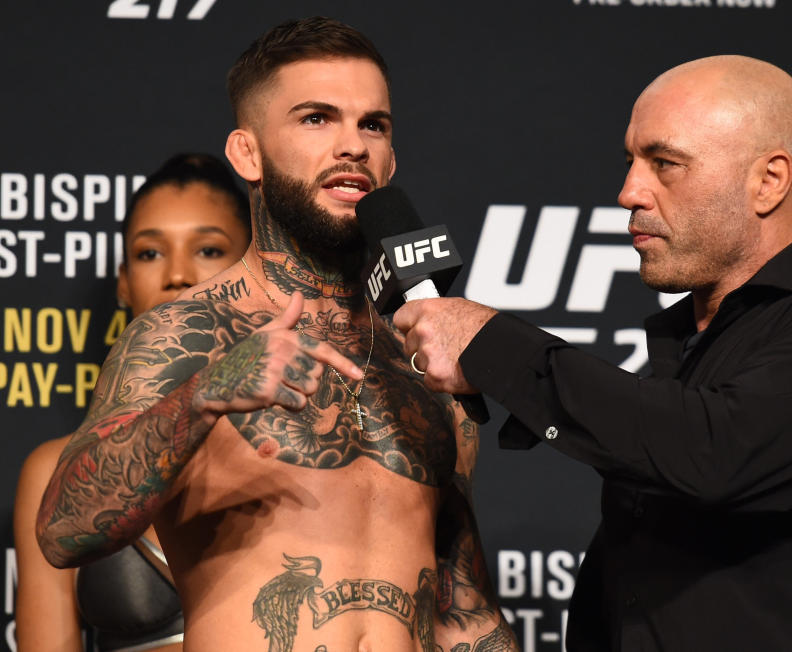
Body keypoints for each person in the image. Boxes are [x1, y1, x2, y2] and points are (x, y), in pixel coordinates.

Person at [393, 55, 792, 651]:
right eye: (631, 162)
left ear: (769, 181)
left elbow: (715, 453)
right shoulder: (691, 349)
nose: (629, 191)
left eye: (665, 164)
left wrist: (491, 345)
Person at [36, 17, 516, 652]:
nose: (353, 146)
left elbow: (464, 610)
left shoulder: (424, 358)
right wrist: (204, 396)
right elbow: (65, 532)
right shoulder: (188, 335)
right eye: (317, 118)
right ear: (248, 153)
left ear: (392, 157)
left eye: (373, 124)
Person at [14, 152, 251, 652]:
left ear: (252, 269)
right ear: (123, 282)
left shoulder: (313, 444)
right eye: (150, 253)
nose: (178, 276)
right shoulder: (56, 471)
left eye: (208, 249)